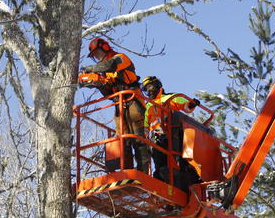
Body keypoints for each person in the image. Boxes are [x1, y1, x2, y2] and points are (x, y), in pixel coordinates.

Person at [81, 38, 149, 174]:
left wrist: (89, 69)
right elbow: (108, 92)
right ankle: (127, 172)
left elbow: (110, 64)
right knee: (123, 142)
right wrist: (97, 83)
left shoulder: (120, 59)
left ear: (106, 47)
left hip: (133, 102)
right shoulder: (106, 73)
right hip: (119, 106)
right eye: (94, 56)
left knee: (138, 139)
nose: (97, 57)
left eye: (97, 53)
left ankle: (142, 173)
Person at [141, 76, 201, 191]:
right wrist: (146, 140)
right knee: (159, 163)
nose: (148, 90)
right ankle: (160, 186)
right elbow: (146, 125)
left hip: (172, 134)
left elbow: (185, 106)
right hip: (156, 138)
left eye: (150, 86)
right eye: (146, 89)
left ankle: (181, 184)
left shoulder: (170, 98)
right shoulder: (148, 106)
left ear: (156, 85)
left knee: (176, 161)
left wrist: (191, 104)